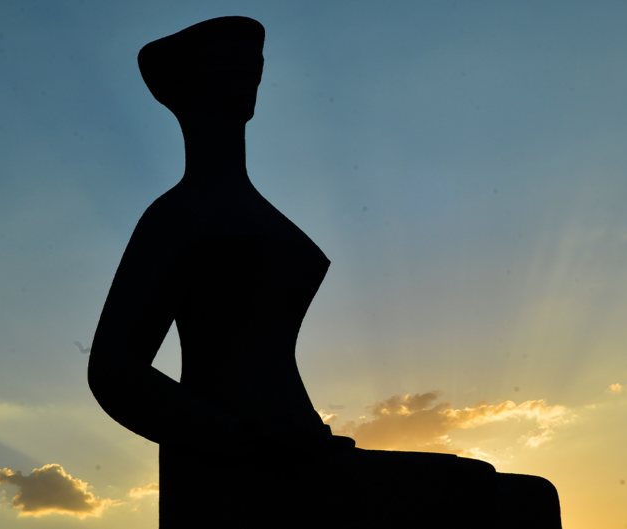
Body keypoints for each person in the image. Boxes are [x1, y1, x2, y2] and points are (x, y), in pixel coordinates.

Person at [88, 16, 561, 527]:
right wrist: (237, 436)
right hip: (235, 462)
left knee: (528, 496)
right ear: (192, 86)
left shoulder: (249, 211)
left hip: (299, 444)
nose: (248, 77)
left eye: (251, 67)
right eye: (229, 66)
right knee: (481, 494)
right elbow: (114, 368)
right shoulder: (177, 215)